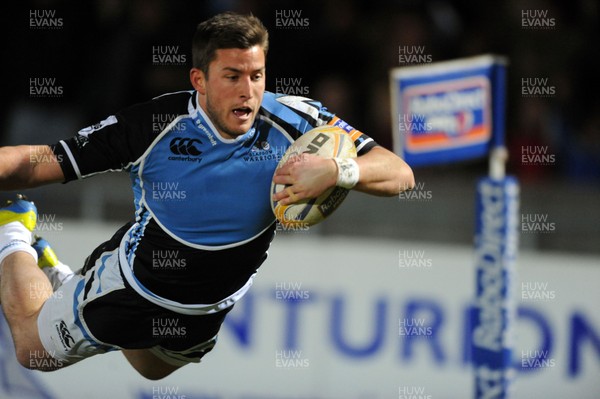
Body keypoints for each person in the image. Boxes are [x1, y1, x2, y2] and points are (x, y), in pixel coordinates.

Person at [0, 12, 414, 380]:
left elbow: (401, 173)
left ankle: (61, 277)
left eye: (256, 75)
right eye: (232, 76)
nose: (248, 91)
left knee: (151, 370)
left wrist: (338, 170)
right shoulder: (154, 125)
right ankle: (15, 232)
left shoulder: (298, 122)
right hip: (135, 289)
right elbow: (42, 160)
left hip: (207, 310)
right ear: (199, 79)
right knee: (31, 351)